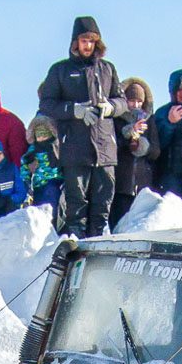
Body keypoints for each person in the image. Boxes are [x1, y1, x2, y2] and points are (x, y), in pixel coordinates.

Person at [38, 15, 126, 237]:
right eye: (84, 40)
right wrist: (74, 110)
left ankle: (98, 243)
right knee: (76, 205)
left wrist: (111, 107)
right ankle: (77, 246)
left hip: (105, 148)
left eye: (92, 41)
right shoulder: (60, 70)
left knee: (103, 203)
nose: (88, 45)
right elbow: (47, 104)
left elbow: (122, 101)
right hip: (75, 148)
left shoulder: (108, 69)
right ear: (75, 42)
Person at [152, 69, 182, 203]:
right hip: (170, 174)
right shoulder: (162, 113)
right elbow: (157, 145)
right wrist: (169, 123)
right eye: (178, 90)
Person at [24, 115, 63, 213]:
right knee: (38, 208)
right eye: (39, 136)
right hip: (38, 185)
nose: (42, 138)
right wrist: (26, 181)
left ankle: (52, 222)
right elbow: (25, 166)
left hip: (55, 182)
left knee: (51, 206)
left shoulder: (57, 148)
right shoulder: (33, 150)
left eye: (44, 135)